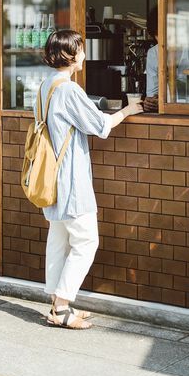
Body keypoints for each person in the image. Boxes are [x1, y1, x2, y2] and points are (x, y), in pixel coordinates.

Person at [38, 29, 143, 329]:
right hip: (70, 178)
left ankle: (55, 304)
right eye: (81, 50)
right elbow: (100, 124)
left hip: (51, 179)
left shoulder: (45, 86)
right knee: (86, 241)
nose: (84, 55)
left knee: (59, 239)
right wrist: (130, 109)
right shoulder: (69, 90)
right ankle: (61, 307)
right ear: (71, 55)